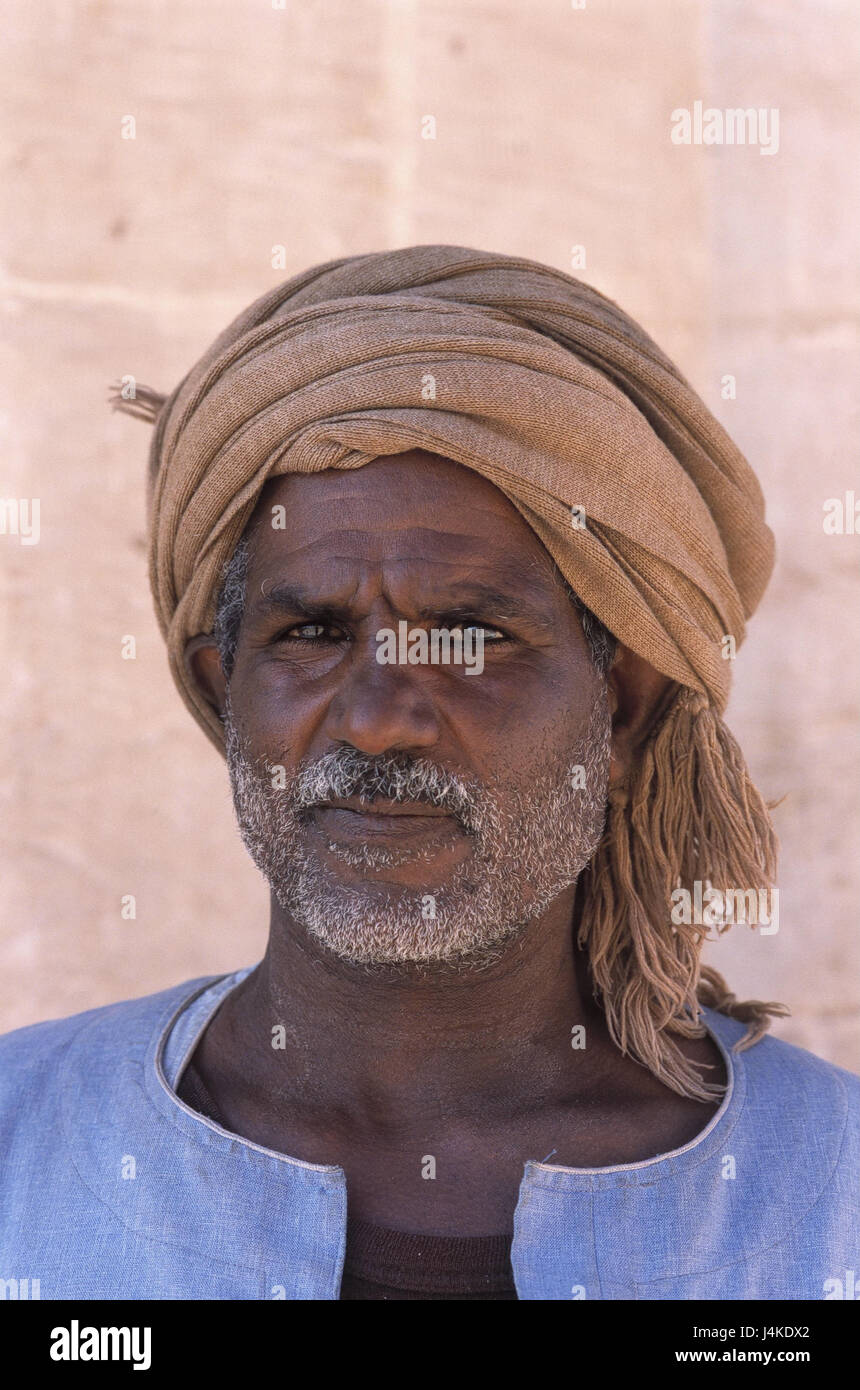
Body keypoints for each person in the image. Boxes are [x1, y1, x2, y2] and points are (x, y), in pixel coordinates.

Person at [1, 246, 857, 1301]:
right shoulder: (22, 1147)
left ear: (622, 706)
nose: (376, 723)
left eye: (468, 635)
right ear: (224, 695)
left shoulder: (827, 1208)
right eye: (312, 631)